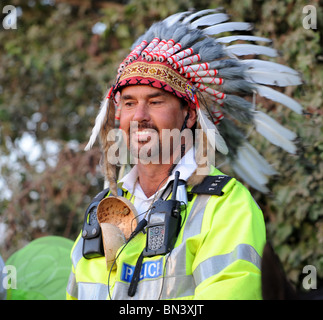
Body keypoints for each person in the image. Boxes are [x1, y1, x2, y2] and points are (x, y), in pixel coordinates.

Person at [66, 9, 302, 300]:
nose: (139, 116)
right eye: (128, 103)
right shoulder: (100, 212)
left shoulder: (224, 205)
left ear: (189, 115)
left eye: (155, 101)